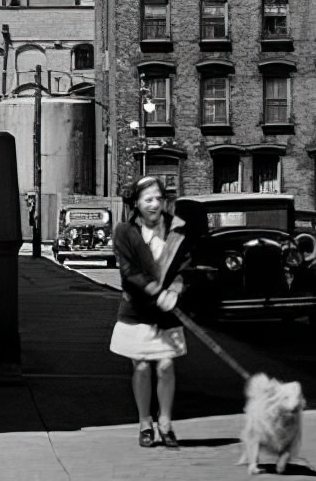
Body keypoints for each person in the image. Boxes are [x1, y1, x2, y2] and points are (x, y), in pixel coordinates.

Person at [109, 175, 191, 449]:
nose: (155, 204)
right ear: (136, 203)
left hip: (167, 310)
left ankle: (165, 422)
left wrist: (176, 290)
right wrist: (158, 291)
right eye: (148, 200)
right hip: (137, 310)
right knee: (142, 366)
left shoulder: (177, 230)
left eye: (158, 198)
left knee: (166, 365)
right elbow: (129, 272)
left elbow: (185, 268)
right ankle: (145, 421)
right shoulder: (124, 232)